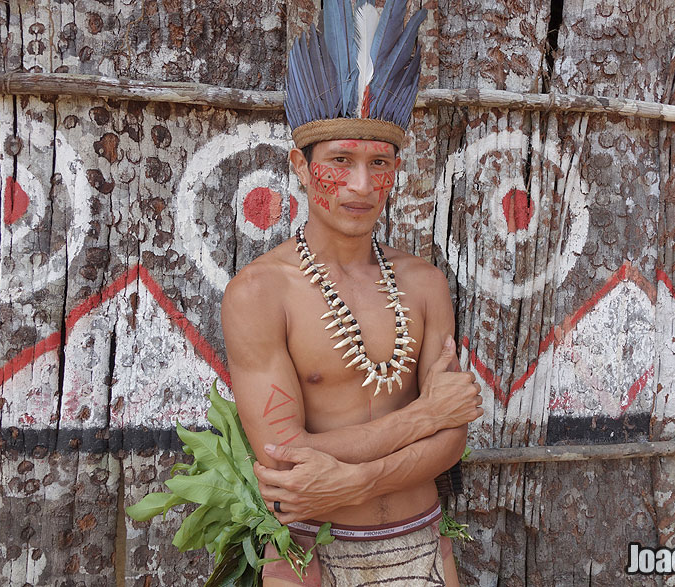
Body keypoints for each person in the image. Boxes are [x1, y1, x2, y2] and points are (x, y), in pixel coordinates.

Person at [220, 0, 483, 584]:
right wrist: (425, 415)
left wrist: (358, 477)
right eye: (340, 160)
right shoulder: (261, 293)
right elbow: (285, 461)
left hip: (422, 548)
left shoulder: (424, 284)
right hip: (309, 556)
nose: (361, 186)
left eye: (379, 163)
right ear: (300, 164)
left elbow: (454, 433)